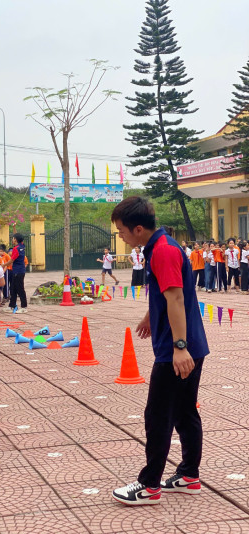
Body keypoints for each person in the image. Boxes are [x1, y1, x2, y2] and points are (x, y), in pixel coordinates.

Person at [110, 196, 209, 506]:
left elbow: (176, 298)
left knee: (157, 416)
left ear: (138, 229)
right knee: (183, 410)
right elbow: (167, 295)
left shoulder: (162, 251)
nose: (122, 237)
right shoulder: (162, 245)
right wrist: (150, 316)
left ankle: (149, 485)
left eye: (122, 231)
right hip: (191, 343)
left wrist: (179, 348)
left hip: (177, 349)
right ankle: (189, 475)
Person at [2, 233, 27, 313]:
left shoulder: (16, 249)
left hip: (18, 271)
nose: (12, 239)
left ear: (15, 240)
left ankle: (24, 307)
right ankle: (11, 306)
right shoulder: (22, 246)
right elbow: (18, 236)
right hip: (18, 271)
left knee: (20, 289)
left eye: (13, 238)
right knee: (13, 289)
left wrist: (3, 265)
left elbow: (11, 260)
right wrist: (14, 228)